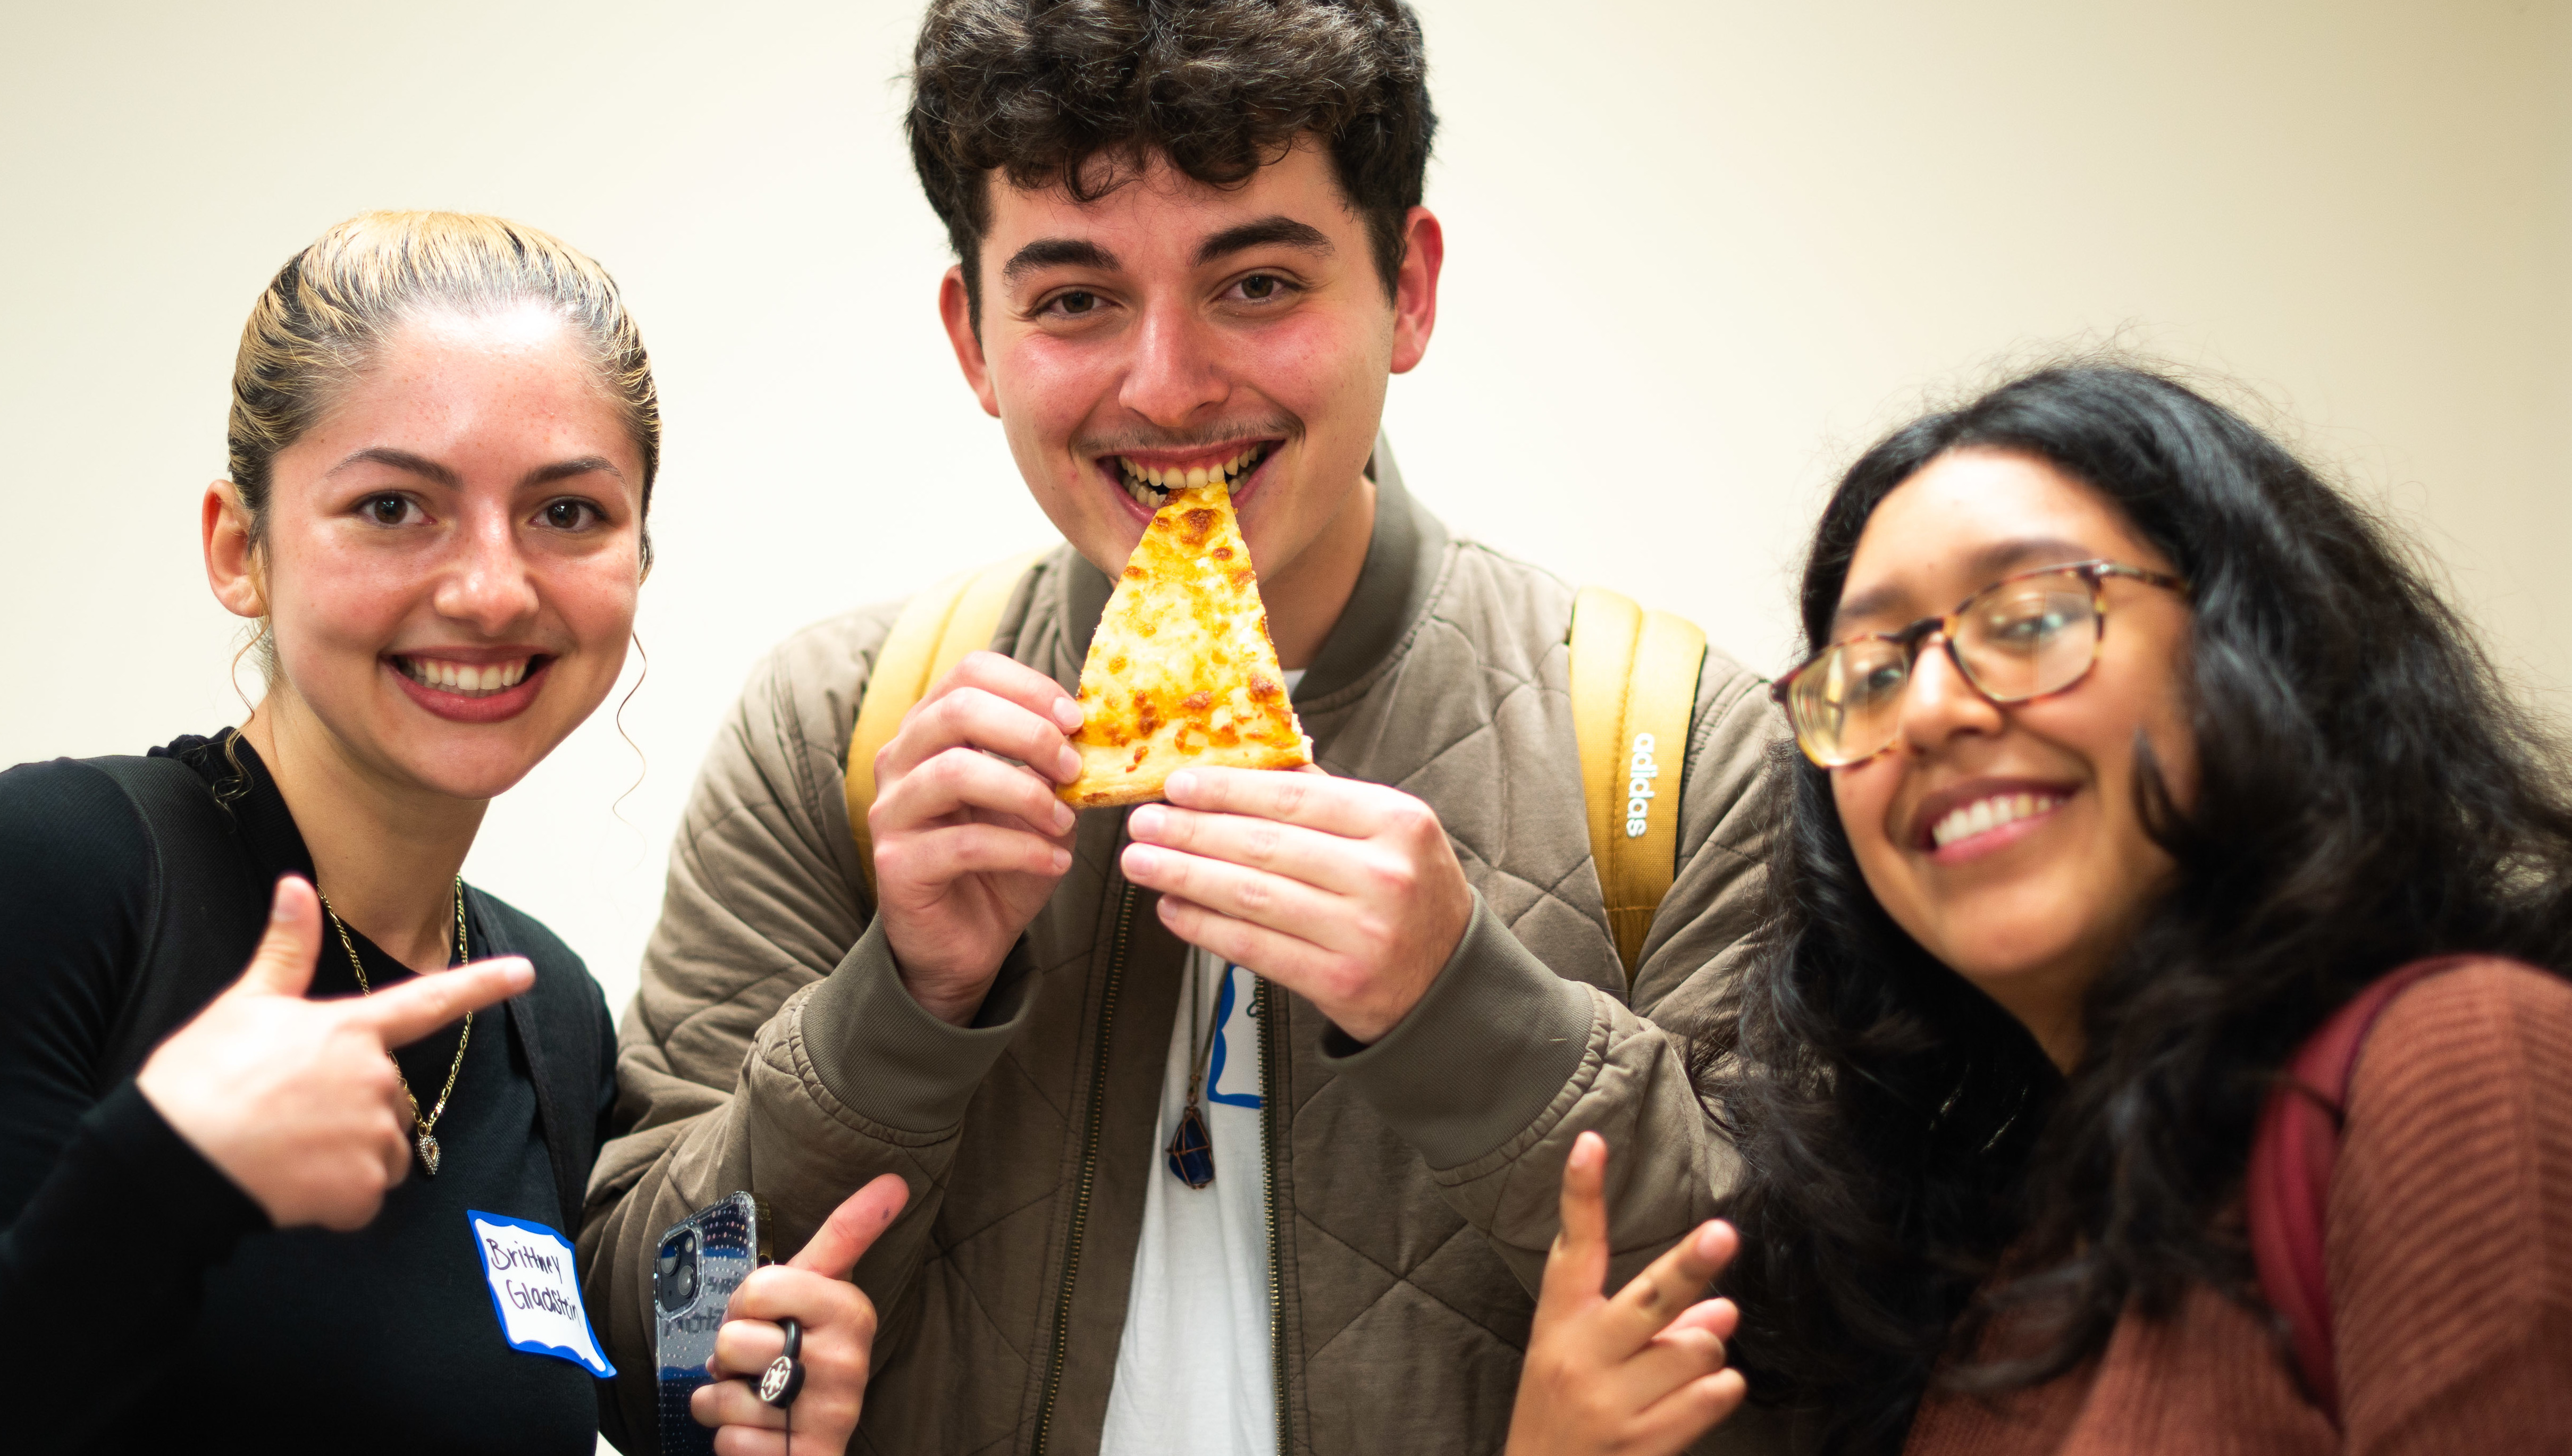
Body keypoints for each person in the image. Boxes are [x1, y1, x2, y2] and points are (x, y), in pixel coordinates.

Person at [577, 2, 1787, 1452]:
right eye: (1074, 300)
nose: (1165, 385)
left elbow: (1807, 1362)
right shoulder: (836, 729)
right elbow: (658, 1359)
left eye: (1258, 282)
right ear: (974, 337)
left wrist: (1463, 1009)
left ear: (1404, 287)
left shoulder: (1668, 750)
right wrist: (896, 1003)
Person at [1522, 362, 2572, 1455]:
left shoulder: (2453, 1065)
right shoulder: (1987, 1240)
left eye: (2027, 619)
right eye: (1869, 674)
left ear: (2248, 643)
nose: (1925, 711)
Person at [0, 210, 878, 1455]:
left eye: (567, 513)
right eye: (396, 505)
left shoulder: (544, 1012)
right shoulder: (59, 871)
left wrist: (737, 1425)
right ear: (239, 547)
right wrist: (162, 1173)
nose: (490, 588)